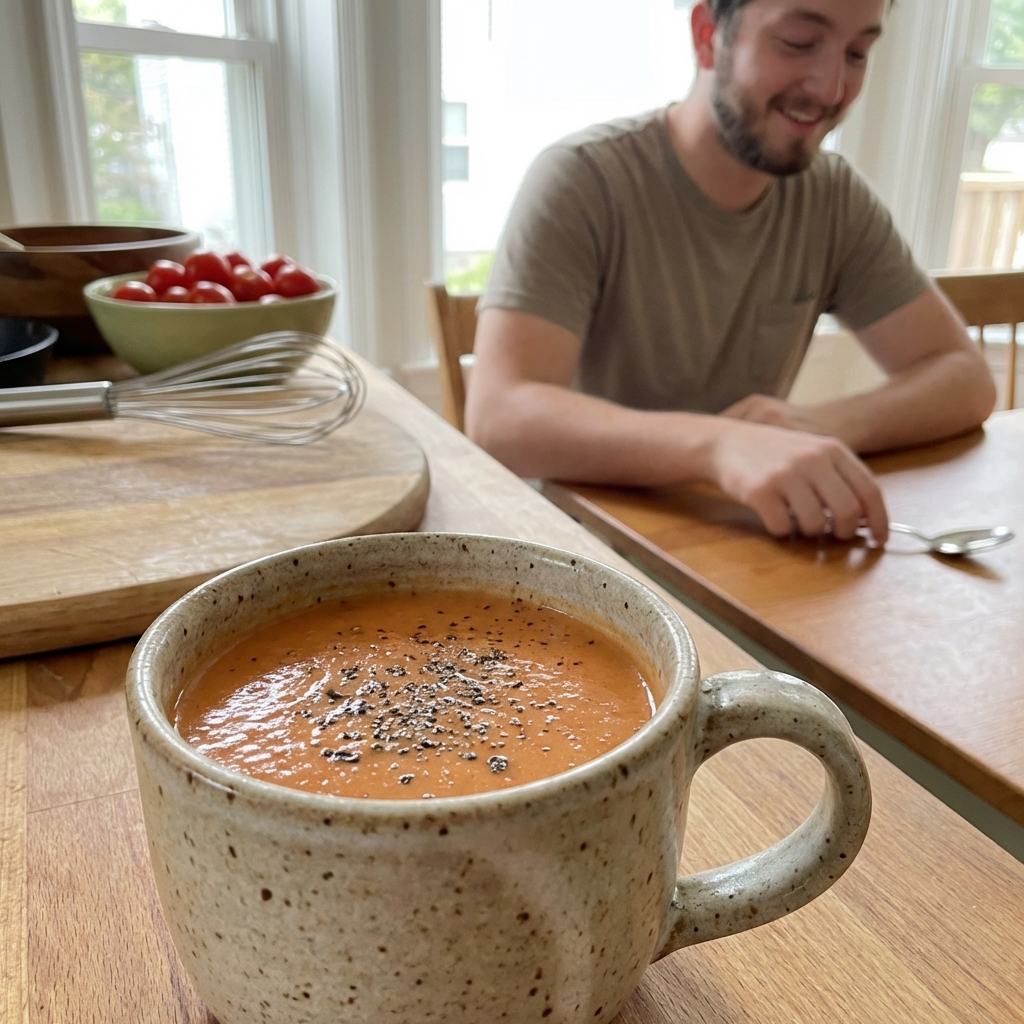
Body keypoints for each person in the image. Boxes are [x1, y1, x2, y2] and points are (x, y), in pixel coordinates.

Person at [464, 0, 996, 546]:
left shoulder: (833, 198)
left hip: (737, 545)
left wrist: (821, 426)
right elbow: (499, 417)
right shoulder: (584, 179)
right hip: (583, 555)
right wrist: (716, 445)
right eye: (797, 42)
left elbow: (966, 379)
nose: (832, 88)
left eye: (858, 53)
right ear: (706, 35)